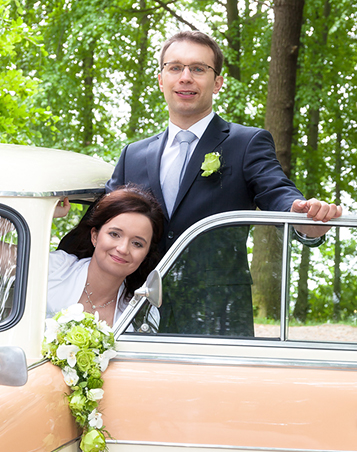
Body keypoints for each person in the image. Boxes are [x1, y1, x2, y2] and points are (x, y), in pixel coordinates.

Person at [106, 30, 342, 253]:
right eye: (175, 68)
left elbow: (278, 193)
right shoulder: (132, 155)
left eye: (198, 69)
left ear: (217, 83)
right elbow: (102, 219)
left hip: (220, 295)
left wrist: (304, 217)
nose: (185, 78)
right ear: (160, 80)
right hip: (139, 293)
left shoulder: (247, 143)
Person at [49, 185, 164, 327]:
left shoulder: (143, 314)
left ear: (146, 254)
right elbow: (12, 258)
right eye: (114, 234)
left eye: (137, 244)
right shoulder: (56, 268)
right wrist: (43, 214)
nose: (123, 249)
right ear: (95, 236)